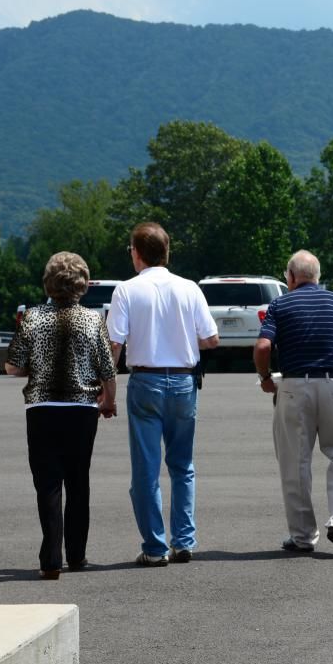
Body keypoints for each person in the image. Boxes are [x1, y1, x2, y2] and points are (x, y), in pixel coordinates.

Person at [254, 250, 333, 557]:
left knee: (294, 462)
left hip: (294, 385)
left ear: (291, 277)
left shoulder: (280, 304)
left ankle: (302, 536)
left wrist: (264, 379)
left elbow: (262, 345)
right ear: (318, 276)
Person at [108, 223, 218, 567]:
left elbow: (114, 344)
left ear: (136, 253)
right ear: (167, 252)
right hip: (184, 381)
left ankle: (155, 547)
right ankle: (184, 541)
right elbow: (211, 339)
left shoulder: (126, 290)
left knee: (146, 469)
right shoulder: (189, 288)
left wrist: (106, 388)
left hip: (145, 380)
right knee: (182, 465)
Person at [5, 252, 117, 579]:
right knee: (78, 481)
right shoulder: (92, 319)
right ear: (82, 282)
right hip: (81, 409)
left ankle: (51, 558)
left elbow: (12, 366)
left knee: (48, 484)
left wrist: (34, 367)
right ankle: (77, 555)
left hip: (41, 408)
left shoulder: (33, 319)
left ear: (48, 281)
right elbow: (107, 368)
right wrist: (109, 401)